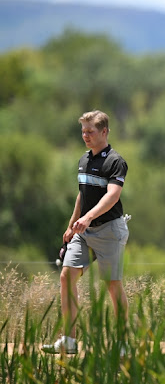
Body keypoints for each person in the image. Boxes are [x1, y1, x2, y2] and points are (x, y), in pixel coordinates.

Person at [43, 110, 130, 355]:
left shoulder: (115, 161)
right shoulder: (83, 160)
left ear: (104, 132)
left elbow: (112, 196)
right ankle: (68, 341)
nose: (85, 136)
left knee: (112, 284)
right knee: (66, 277)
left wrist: (88, 217)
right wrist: (72, 224)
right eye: (83, 131)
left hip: (109, 230)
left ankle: (122, 343)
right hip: (84, 231)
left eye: (90, 131)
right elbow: (83, 194)